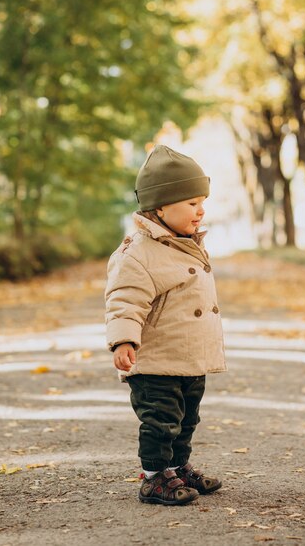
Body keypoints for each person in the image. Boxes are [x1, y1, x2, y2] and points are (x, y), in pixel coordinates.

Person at [105, 144, 227, 506]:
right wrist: (124, 340)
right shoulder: (138, 252)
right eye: (191, 203)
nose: (200, 210)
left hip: (188, 357)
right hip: (156, 360)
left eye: (202, 201)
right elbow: (124, 299)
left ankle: (178, 466)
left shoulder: (186, 244)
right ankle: (155, 477)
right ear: (160, 206)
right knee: (161, 421)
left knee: (187, 418)